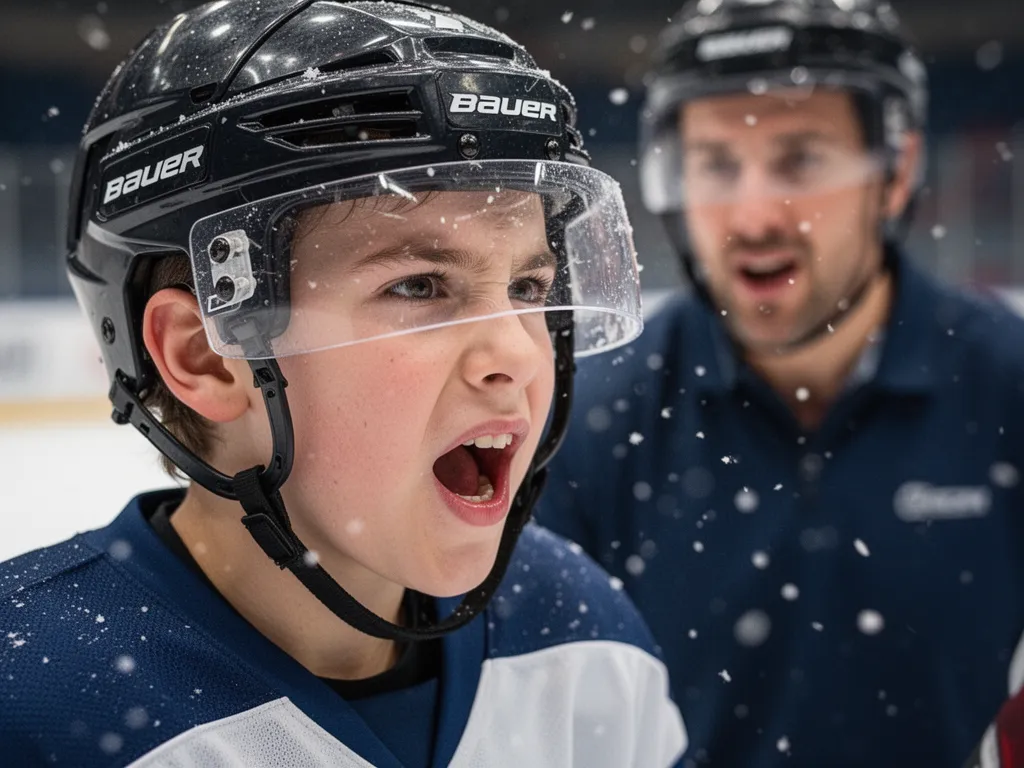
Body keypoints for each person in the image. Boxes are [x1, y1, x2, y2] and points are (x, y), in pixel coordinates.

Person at [0, 2, 687, 765]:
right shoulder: (30, 700)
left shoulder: (580, 630)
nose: (519, 356)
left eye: (527, 288)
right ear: (202, 355)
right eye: (420, 286)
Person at [536, 0, 1024, 765]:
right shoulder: (592, 420)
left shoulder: (1008, 388)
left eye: (801, 160)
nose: (754, 215)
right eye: (717, 165)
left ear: (893, 173)